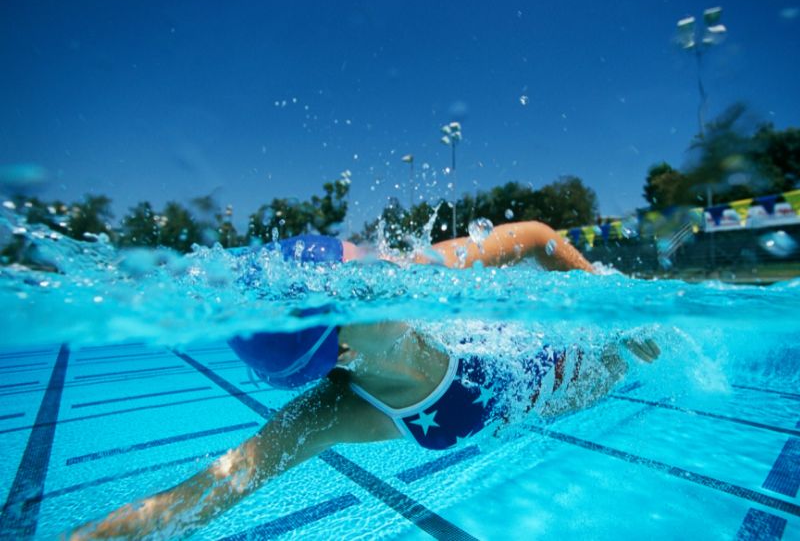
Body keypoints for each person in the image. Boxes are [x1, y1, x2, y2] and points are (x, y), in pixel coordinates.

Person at [67, 221, 659, 539]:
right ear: (342, 347)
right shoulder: (336, 412)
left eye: (360, 255)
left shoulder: (420, 273)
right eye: (362, 278)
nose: (381, 264)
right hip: (564, 397)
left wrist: (615, 308)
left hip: (588, 338)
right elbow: (212, 488)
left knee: (651, 346)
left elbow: (533, 236)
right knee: (622, 370)